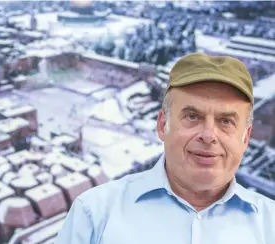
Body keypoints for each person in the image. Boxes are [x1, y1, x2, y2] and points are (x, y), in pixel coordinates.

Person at [55, 53, 275, 244]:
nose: (209, 136)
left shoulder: (270, 224)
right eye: (192, 116)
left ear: (245, 137)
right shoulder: (94, 214)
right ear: (162, 125)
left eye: (226, 121)